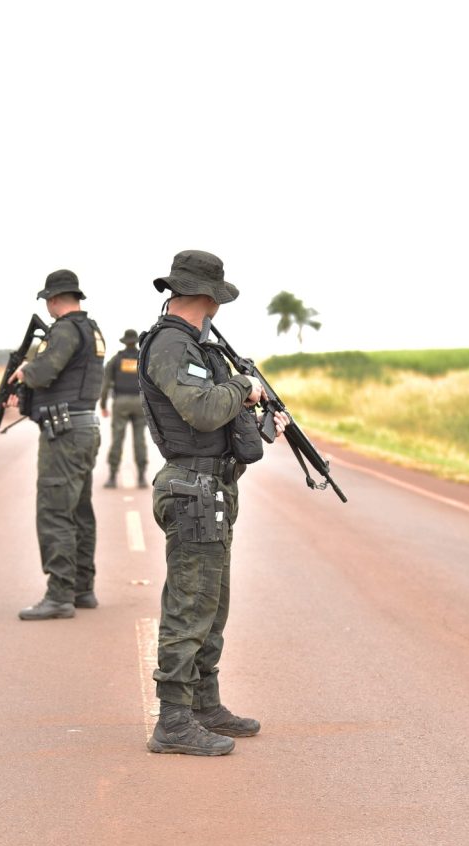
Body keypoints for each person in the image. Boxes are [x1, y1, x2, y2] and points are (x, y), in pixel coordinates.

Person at [138, 250, 287, 756]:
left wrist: (256, 411)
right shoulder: (171, 346)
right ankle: (174, 722)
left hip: (212, 487)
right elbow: (201, 410)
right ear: (208, 298)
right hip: (192, 488)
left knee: (211, 603)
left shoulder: (195, 345)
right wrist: (243, 387)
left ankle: (204, 704)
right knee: (189, 604)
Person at [7, 269, 106, 620]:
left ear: (52, 300)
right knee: (79, 510)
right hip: (84, 427)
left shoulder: (64, 330)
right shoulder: (91, 330)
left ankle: (60, 595)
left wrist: (24, 374)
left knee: (55, 511)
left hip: (64, 435)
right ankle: (82, 588)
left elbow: (46, 370)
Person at [100, 329, 148, 488]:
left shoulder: (115, 360)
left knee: (117, 439)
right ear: (135, 342)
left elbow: (105, 385)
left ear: (124, 342)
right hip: (139, 403)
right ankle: (141, 477)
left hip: (120, 402)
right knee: (139, 440)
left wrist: (103, 405)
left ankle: (112, 477)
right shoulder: (143, 359)